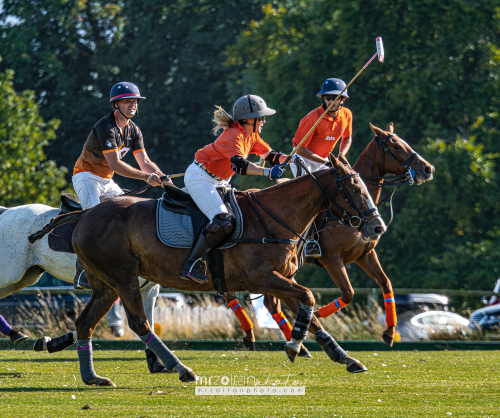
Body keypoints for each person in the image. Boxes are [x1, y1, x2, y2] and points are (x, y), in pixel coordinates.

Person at [180, 95, 294, 283]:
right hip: (201, 178)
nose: (264, 122)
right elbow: (240, 166)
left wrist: (292, 159)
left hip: (220, 182)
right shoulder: (233, 135)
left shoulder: (252, 135)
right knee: (223, 220)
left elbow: (272, 156)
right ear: (250, 119)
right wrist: (267, 173)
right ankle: (190, 264)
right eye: (261, 118)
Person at [72, 82, 170, 289]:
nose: (133, 105)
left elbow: (145, 162)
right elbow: (115, 164)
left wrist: (161, 177)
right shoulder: (106, 127)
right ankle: (82, 271)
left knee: (125, 211)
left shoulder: (134, 130)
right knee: (92, 220)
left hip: (106, 181)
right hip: (86, 176)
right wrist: (146, 177)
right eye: (127, 101)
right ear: (116, 104)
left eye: (135, 101)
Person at [290, 78, 353, 257]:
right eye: (328, 98)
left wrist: (341, 156)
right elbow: (299, 148)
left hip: (326, 160)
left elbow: (347, 137)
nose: (331, 101)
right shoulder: (311, 119)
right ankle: (310, 241)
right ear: (323, 99)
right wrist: (323, 162)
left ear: (343, 100)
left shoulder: (346, 114)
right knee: (314, 196)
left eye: (336, 97)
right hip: (303, 159)